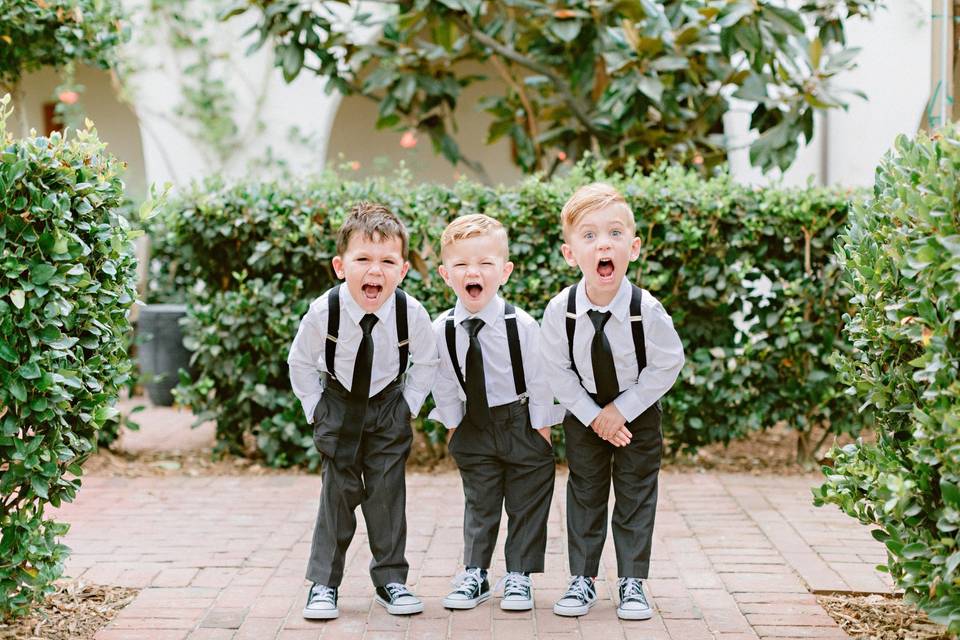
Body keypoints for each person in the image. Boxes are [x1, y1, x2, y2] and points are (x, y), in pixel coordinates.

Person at [540, 183, 685, 620]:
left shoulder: (647, 310)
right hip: (584, 414)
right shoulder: (559, 310)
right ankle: (582, 579)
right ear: (570, 254)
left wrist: (620, 411)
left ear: (633, 248)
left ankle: (632, 581)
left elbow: (667, 364)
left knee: (636, 492)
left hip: (636, 413)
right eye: (589, 236)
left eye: (615, 233)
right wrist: (594, 416)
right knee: (585, 491)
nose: (603, 243)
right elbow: (557, 373)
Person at [287, 202, 438, 619]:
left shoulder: (411, 313)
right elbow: (300, 362)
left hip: (389, 403)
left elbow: (426, 361)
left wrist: (408, 404)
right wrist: (316, 409)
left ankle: (391, 581)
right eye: (363, 259)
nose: (376, 271)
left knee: (388, 494)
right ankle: (323, 584)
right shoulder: (324, 312)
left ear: (403, 270)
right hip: (337, 403)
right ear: (341, 265)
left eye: (388, 261)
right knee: (337, 494)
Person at [429, 214, 561, 612]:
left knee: (526, 502)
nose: (474, 272)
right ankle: (475, 573)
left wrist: (541, 427)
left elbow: (539, 378)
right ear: (445, 274)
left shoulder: (519, 324)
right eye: (462, 265)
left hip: (521, 420)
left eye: (486, 264)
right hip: (474, 424)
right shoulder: (443, 328)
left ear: (504, 271)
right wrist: (453, 425)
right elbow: (444, 380)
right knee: (480, 502)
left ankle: (519, 575)